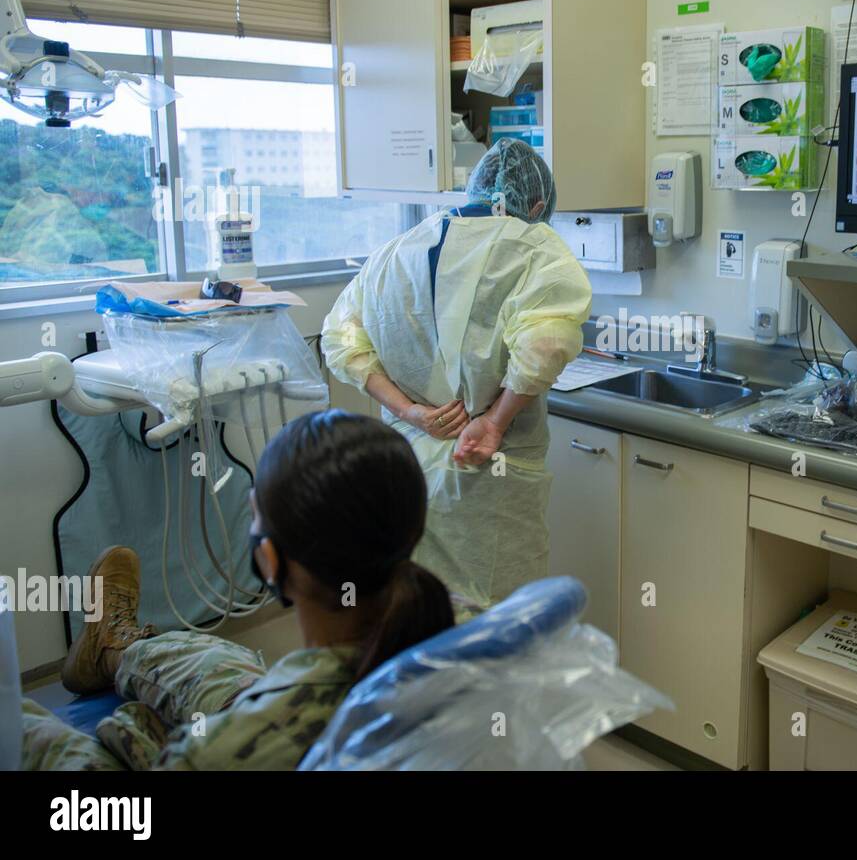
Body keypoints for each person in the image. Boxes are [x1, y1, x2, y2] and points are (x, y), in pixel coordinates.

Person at [20, 410, 454, 770]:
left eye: (254, 517)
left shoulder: (215, 756)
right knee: (219, 665)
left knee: (29, 735)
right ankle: (114, 649)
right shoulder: (463, 626)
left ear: (269, 559)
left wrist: (136, 735)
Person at [321, 139, 592, 617]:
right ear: (534, 205)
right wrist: (494, 422)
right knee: (496, 622)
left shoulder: (395, 252)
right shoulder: (532, 246)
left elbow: (342, 340)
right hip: (490, 474)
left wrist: (411, 412)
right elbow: (546, 344)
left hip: (409, 469)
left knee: (421, 611)